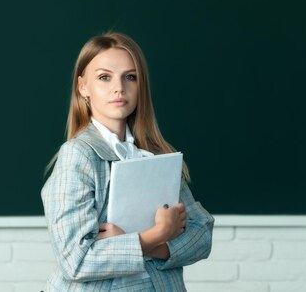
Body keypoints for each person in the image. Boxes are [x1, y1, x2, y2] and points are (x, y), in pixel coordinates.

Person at [41, 32, 214, 291]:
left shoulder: (157, 155)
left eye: (130, 77)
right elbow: (75, 262)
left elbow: (202, 235)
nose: (119, 87)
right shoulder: (78, 154)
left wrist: (146, 244)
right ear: (83, 87)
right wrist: (156, 234)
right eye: (104, 77)